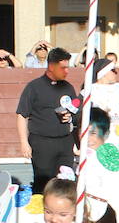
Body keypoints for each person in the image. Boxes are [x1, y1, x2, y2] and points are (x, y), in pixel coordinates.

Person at [16, 46, 77, 192]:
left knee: (66, 182)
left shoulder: (68, 87)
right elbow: (22, 115)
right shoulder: (34, 87)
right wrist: (24, 142)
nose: (66, 71)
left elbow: (74, 111)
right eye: (63, 68)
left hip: (65, 142)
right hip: (42, 143)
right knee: (43, 184)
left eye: (67, 67)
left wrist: (70, 117)